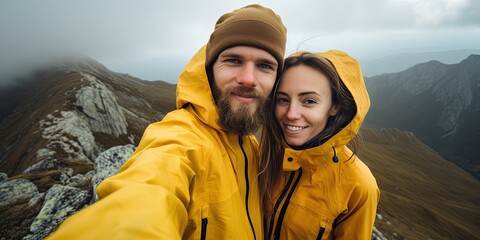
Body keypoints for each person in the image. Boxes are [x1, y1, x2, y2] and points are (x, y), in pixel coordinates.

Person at [47, 4, 286, 239]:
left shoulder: (251, 145)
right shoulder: (181, 137)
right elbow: (148, 191)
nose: (247, 79)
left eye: (265, 66)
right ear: (209, 68)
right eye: (233, 60)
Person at [259, 50, 380, 239]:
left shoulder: (359, 186)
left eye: (309, 101)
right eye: (283, 99)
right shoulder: (261, 158)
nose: (291, 113)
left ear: (335, 107)